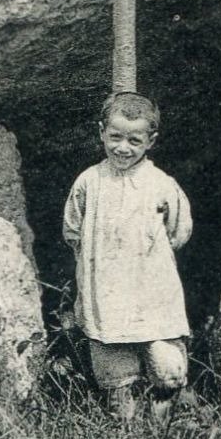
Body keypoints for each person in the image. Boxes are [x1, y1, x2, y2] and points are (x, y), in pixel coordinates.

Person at [62, 92, 193, 420]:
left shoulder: (161, 184)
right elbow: (72, 230)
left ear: (151, 141)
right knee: (115, 372)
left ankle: (166, 429)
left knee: (167, 367)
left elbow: (179, 231)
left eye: (134, 140)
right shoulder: (89, 183)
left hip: (152, 291)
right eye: (115, 137)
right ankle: (125, 434)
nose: (123, 147)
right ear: (101, 132)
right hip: (106, 293)